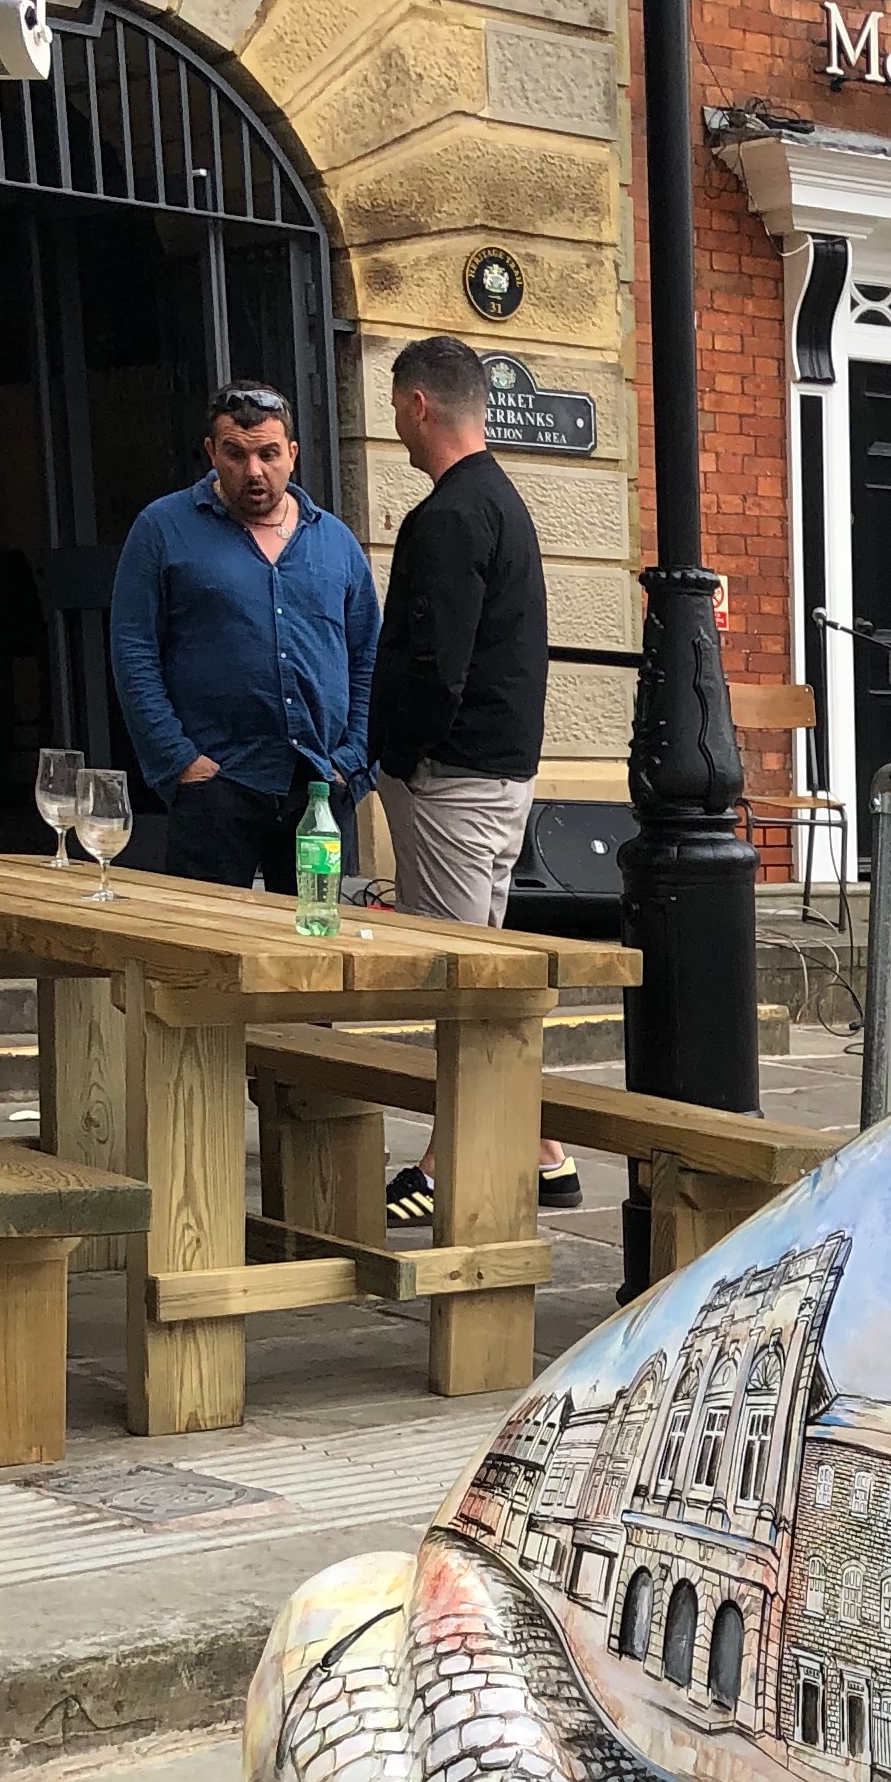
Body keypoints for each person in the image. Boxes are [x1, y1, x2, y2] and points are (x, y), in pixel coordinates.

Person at [369, 332, 576, 1220]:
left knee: (460, 980)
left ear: (419, 405)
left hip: (452, 779)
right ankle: (543, 1152)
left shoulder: (450, 515)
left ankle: (445, 1164)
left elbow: (435, 664)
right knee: (483, 970)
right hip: (496, 775)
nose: (397, 426)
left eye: (396, 409)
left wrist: (397, 755)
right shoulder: (503, 502)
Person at [108, 384, 376, 885]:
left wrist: (352, 762)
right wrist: (179, 761)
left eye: (268, 454)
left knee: (310, 931)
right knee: (207, 933)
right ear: (212, 452)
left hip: (317, 785)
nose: (254, 470)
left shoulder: (335, 541)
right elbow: (133, 650)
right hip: (215, 782)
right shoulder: (163, 528)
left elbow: (369, 658)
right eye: (236, 453)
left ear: (292, 454)